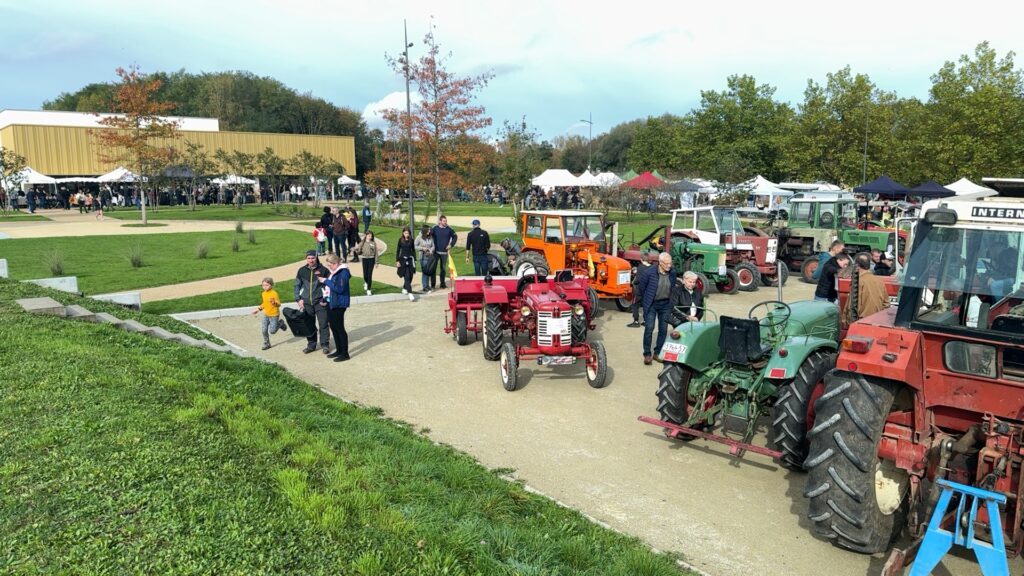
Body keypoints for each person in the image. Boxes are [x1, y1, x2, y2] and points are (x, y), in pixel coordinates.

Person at [637, 252, 676, 365]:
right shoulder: (649, 273)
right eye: (667, 263)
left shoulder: (672, 272)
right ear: (660, 262)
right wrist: (647, 300)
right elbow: (642, 288)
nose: (669, 266)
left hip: (665, 305)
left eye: (670, 263)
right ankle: (647, 354)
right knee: (649, 328)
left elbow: (672, 287)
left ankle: (657, 353)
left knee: (663, 330)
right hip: (652, 305)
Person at [294, 250, 331, 354]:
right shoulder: (301, 271)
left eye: (313, 258)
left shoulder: (324, 270)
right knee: (309, 324)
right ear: (306, 259)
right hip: (306, 303)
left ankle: (325, 345)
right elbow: (297, 285)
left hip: (320, 302)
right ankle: (311, 345)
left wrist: (326, 300)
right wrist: (298, 299)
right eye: (309, 258)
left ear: (316, 258)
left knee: (323, 324)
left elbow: (329, 287)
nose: (311, 260)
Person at [319, 253, 351, 362]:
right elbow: (330, 289)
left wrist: (325, 281)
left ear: (336, 263)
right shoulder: (334, 272)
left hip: (339, 304)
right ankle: (339, 350)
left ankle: (345, 353)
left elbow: (340, 289)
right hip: (331, 302)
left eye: (330, 265)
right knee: (333, 326)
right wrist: (325, 299)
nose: (329, 267)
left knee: (339, 328)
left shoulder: (344, 272)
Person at [843, 253, 889, 326]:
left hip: (861, 322)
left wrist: (847, 323)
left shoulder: (858, 282)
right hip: (876, 323)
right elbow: (886, 304)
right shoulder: (879, 281)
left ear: (857, 266)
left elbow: (852, 307)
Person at [252, 276, 287, 350]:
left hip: (274, 315)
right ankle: (267, 343)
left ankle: (280, 323)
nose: (264, 287)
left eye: (266, 285)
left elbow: (279, 304)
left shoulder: (274, 293)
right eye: (263, 285)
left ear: (271, 285)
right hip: (266, 314)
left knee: (272, 331)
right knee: (264, 330)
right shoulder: (263, 293)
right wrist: (258, 309)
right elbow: (264, 303)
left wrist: (274, 303)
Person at [431, 215, 458, 289]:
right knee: (433, 268)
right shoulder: (434, 228)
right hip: (435, 252)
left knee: (443, 269)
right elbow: (428, 234)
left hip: (444, 253)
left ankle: (442, 284)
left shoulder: (449, 229)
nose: (445, 222)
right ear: (440, 221)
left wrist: (451, 245)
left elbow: (455, 237)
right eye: (444, 221)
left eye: (446, 221)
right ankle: (433, 285)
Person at [627, 260, 652, 328]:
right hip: (647, 291)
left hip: (638, 290)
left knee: (635, 305)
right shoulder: (652, 268)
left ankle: (636, 321)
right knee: (645, 305)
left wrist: (633, 282)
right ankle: (645, 321)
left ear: (641, 259)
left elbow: (637, 279)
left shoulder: (640, 267)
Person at [355, 230, 379, 295]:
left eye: (371, 236)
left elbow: (376, 253)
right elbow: (358, 250)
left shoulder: (373, 243)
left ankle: (369, 289)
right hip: (364, 259)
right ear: (366, 236)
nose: (370, 237)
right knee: (365, 274)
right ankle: (366, 282)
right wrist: (356, 250)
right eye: (368, 235)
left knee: (369, 274)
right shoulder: (362, 243)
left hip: (371, 259)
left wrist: (376, 262)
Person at [396, 226, 417, 300]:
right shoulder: (400, 240)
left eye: (407, 233)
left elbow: (413, 250)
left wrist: (415, 260)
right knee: (407, 276)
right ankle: (410, 293)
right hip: (403, 261)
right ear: (403, 233)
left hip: (410, 260)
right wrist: (397, 261)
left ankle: (405, 288)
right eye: (405, 233)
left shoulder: (411, 240)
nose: (406, 234)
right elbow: (398, 251)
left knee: (411, 276)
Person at [415, 225, 435, 292]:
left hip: (429, 257)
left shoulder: (430, 237)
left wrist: (431, 250)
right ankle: (424, 286)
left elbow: (433, 246)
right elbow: (415, 246)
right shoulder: (419, 237)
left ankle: (427, 285)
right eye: (428, 230)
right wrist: (422, 248)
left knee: (428, 271)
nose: (429, 231)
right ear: (425, 230)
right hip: (423, 257)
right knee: (425, 272)